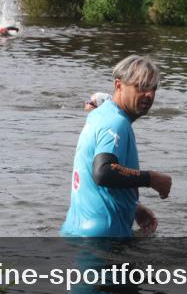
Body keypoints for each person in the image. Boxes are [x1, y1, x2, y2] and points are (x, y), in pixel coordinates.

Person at [61, 55, 172, 237]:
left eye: (153, 88)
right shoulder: (116, 123)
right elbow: (104, 171)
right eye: (141, 86)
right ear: (118, 85)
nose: (149, 94)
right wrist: (151, 179)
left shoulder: (101, 114)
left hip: (77, 230)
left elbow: (93, 175)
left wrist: (132, 206)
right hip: (104, 239)